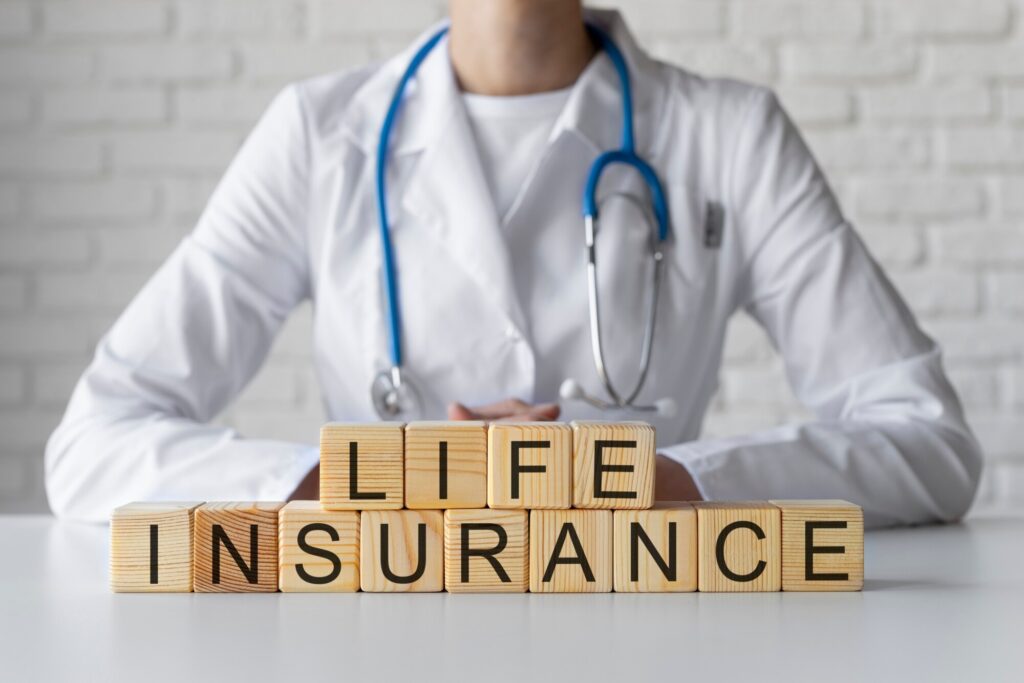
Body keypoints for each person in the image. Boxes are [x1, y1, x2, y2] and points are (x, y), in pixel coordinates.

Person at [45, 0, 981, 527]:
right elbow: (93, 444)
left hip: (652, 641)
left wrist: (668, 481)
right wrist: (357, 478)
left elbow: (929, 441)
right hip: (377, 642)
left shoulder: (729, 136)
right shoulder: (319, 136)